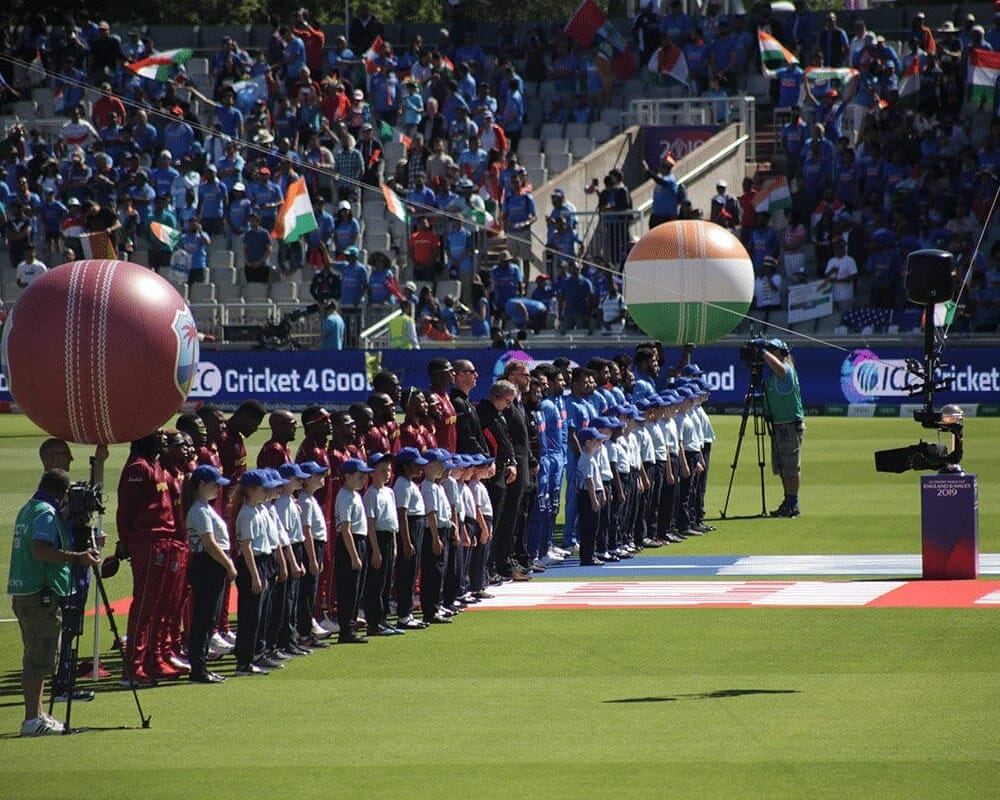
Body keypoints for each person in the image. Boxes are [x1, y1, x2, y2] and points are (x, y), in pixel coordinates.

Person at [8, 469, 99, 736]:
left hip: (29, 591)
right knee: (38, 659)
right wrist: (76, 557)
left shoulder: (30, 508)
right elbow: (41, 549)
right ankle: (30, 720)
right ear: (62, 493)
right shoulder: (46, 513)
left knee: (40, 658)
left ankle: (37, 714)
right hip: (40, 593)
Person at [184, 465, 236, 684]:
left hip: (212, 564)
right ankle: (198, 667)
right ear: (202, 485)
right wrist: (229, 565)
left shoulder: (204, 507)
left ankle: (202, 664)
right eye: (214, 484)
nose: (218, 488)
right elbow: (209, 544)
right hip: (208, 564)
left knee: (209, 618)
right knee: (204, 619)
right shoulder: (198, 509)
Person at [762, 339, 804, 518]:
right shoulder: (778, 371)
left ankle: (793, 503)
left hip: (788, 425)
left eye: (773, 349)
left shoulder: (785, 370)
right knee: (783, 466)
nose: (770, 352)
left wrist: (763, 352)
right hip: (780, 424)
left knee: (791, 467)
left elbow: (779, 368)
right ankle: (788, 501)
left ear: (780, 352)